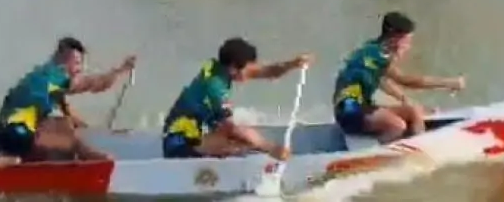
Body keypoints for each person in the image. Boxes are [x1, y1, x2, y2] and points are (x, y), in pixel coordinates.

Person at [162, 37, 311, 160]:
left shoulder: (221, 68)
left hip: (194, 137)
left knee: (245, 141)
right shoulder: (215, 87)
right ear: (234, 67)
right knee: (237, 140)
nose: (252, 72)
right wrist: (270, 148)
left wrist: (293, 64)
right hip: (178, 144)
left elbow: (267, 71)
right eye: (248, 69)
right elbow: (231, 129)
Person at [0, 37, 136, 163]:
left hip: (3, 136)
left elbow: (70, 115)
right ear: (63, 59)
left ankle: (8, 161)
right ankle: (106, 164)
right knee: (71, 140)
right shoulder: (57, 76)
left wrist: (98, 132)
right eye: (77, 63)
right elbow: (94, 84)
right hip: (19, 134)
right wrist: (121, 70)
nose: (80, 69)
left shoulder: (42, 77)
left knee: (64, 130)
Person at [332, 12, 465, 144]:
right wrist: (449, 83)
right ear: (395, 39)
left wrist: (404, 99)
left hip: (357, 108)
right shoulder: (379, 56)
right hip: (349, 111)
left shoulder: (372, 49)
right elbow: (407, 80)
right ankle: (373, 156)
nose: (408, 47)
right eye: (407, 41)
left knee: (413, 111)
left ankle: (419, 149)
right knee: (397, 126)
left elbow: (381, 80)